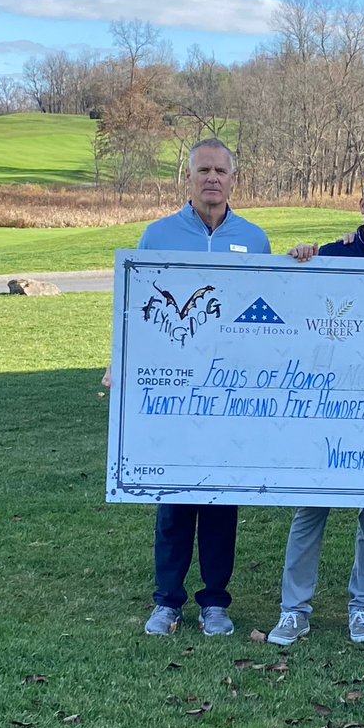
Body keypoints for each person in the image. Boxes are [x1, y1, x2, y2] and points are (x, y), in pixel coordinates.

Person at [268, 173, 364, 646]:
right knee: (311, 509)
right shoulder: (330, 257)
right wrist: (300, 258)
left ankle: (363, 608)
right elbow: (293, 315)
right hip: (327, 408)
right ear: (360, 205)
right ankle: (293, 609)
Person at [130, 137, 271, 638]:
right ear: (187, 179)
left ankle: (215, 602)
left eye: (220, 171)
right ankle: (167, 601)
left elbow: (268, 314)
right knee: (174, 503)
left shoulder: (255, 239)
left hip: (228, 395)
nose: (212, 178)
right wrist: (120, 363)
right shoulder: (158, 235)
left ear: (234, 179)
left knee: (218, 502)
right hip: (173, 392)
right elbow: (137, 310)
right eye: (203, 171)